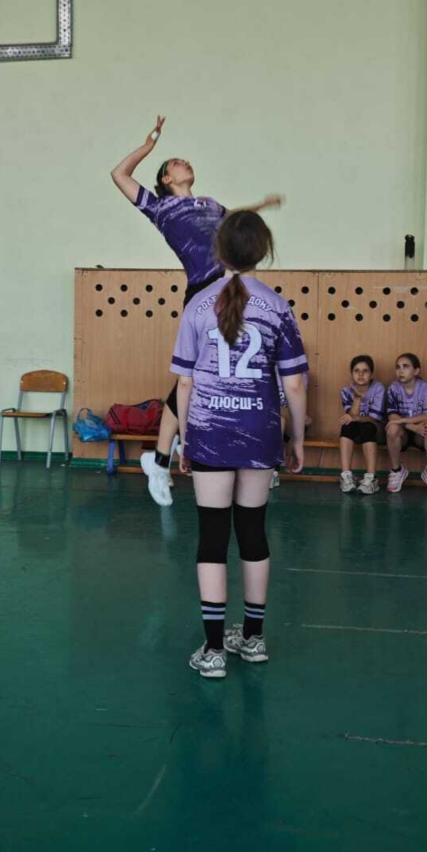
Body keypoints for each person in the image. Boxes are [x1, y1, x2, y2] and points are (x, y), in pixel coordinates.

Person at [111, 117, 283, 506]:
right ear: (166, 178)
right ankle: (160, 459)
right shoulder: (160, 207)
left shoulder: (210, 204)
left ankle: (162, 458)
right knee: (194, 377)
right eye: (176, 162)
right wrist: (149, 146)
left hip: (231, 290)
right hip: (203, 293)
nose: (184, 161)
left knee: (211, 375)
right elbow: (119, 174)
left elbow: (237, 221)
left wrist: (261, 206)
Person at [169, 210, 308, 678]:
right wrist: (297, 438)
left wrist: (186, 439)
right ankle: (253, 638)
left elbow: (184, 383)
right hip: (259, 433)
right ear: (263, 251)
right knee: (253, 533)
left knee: (212, 538)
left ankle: (213, 651)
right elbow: (295, 385)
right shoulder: (278, 306)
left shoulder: (197, 305)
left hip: (209, 433)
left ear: (219, 252)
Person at [385, 353, 427, 496]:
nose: (400, 371)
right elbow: (392, 416)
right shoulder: (393, 388)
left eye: (405, 367)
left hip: (420, 434)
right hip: (403, 433)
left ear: (416, 371)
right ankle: (397, 470)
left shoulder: (425, 388)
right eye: (398, 367)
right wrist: (411, 426)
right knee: (392, 428)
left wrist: (406, 422)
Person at [338, 355, 385, 494]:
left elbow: (375, 419)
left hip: (376, 431)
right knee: (347, 425)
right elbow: (350, 417)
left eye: (365, 371)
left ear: (371, 375)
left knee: (367, 427)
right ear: (351, 374)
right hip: (356, 429)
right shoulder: (346, 391)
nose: (360, 374)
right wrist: (357, 398)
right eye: (356, 370)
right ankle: (346, 476)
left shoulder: (378, 388)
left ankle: (371, 478)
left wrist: (356, 418)